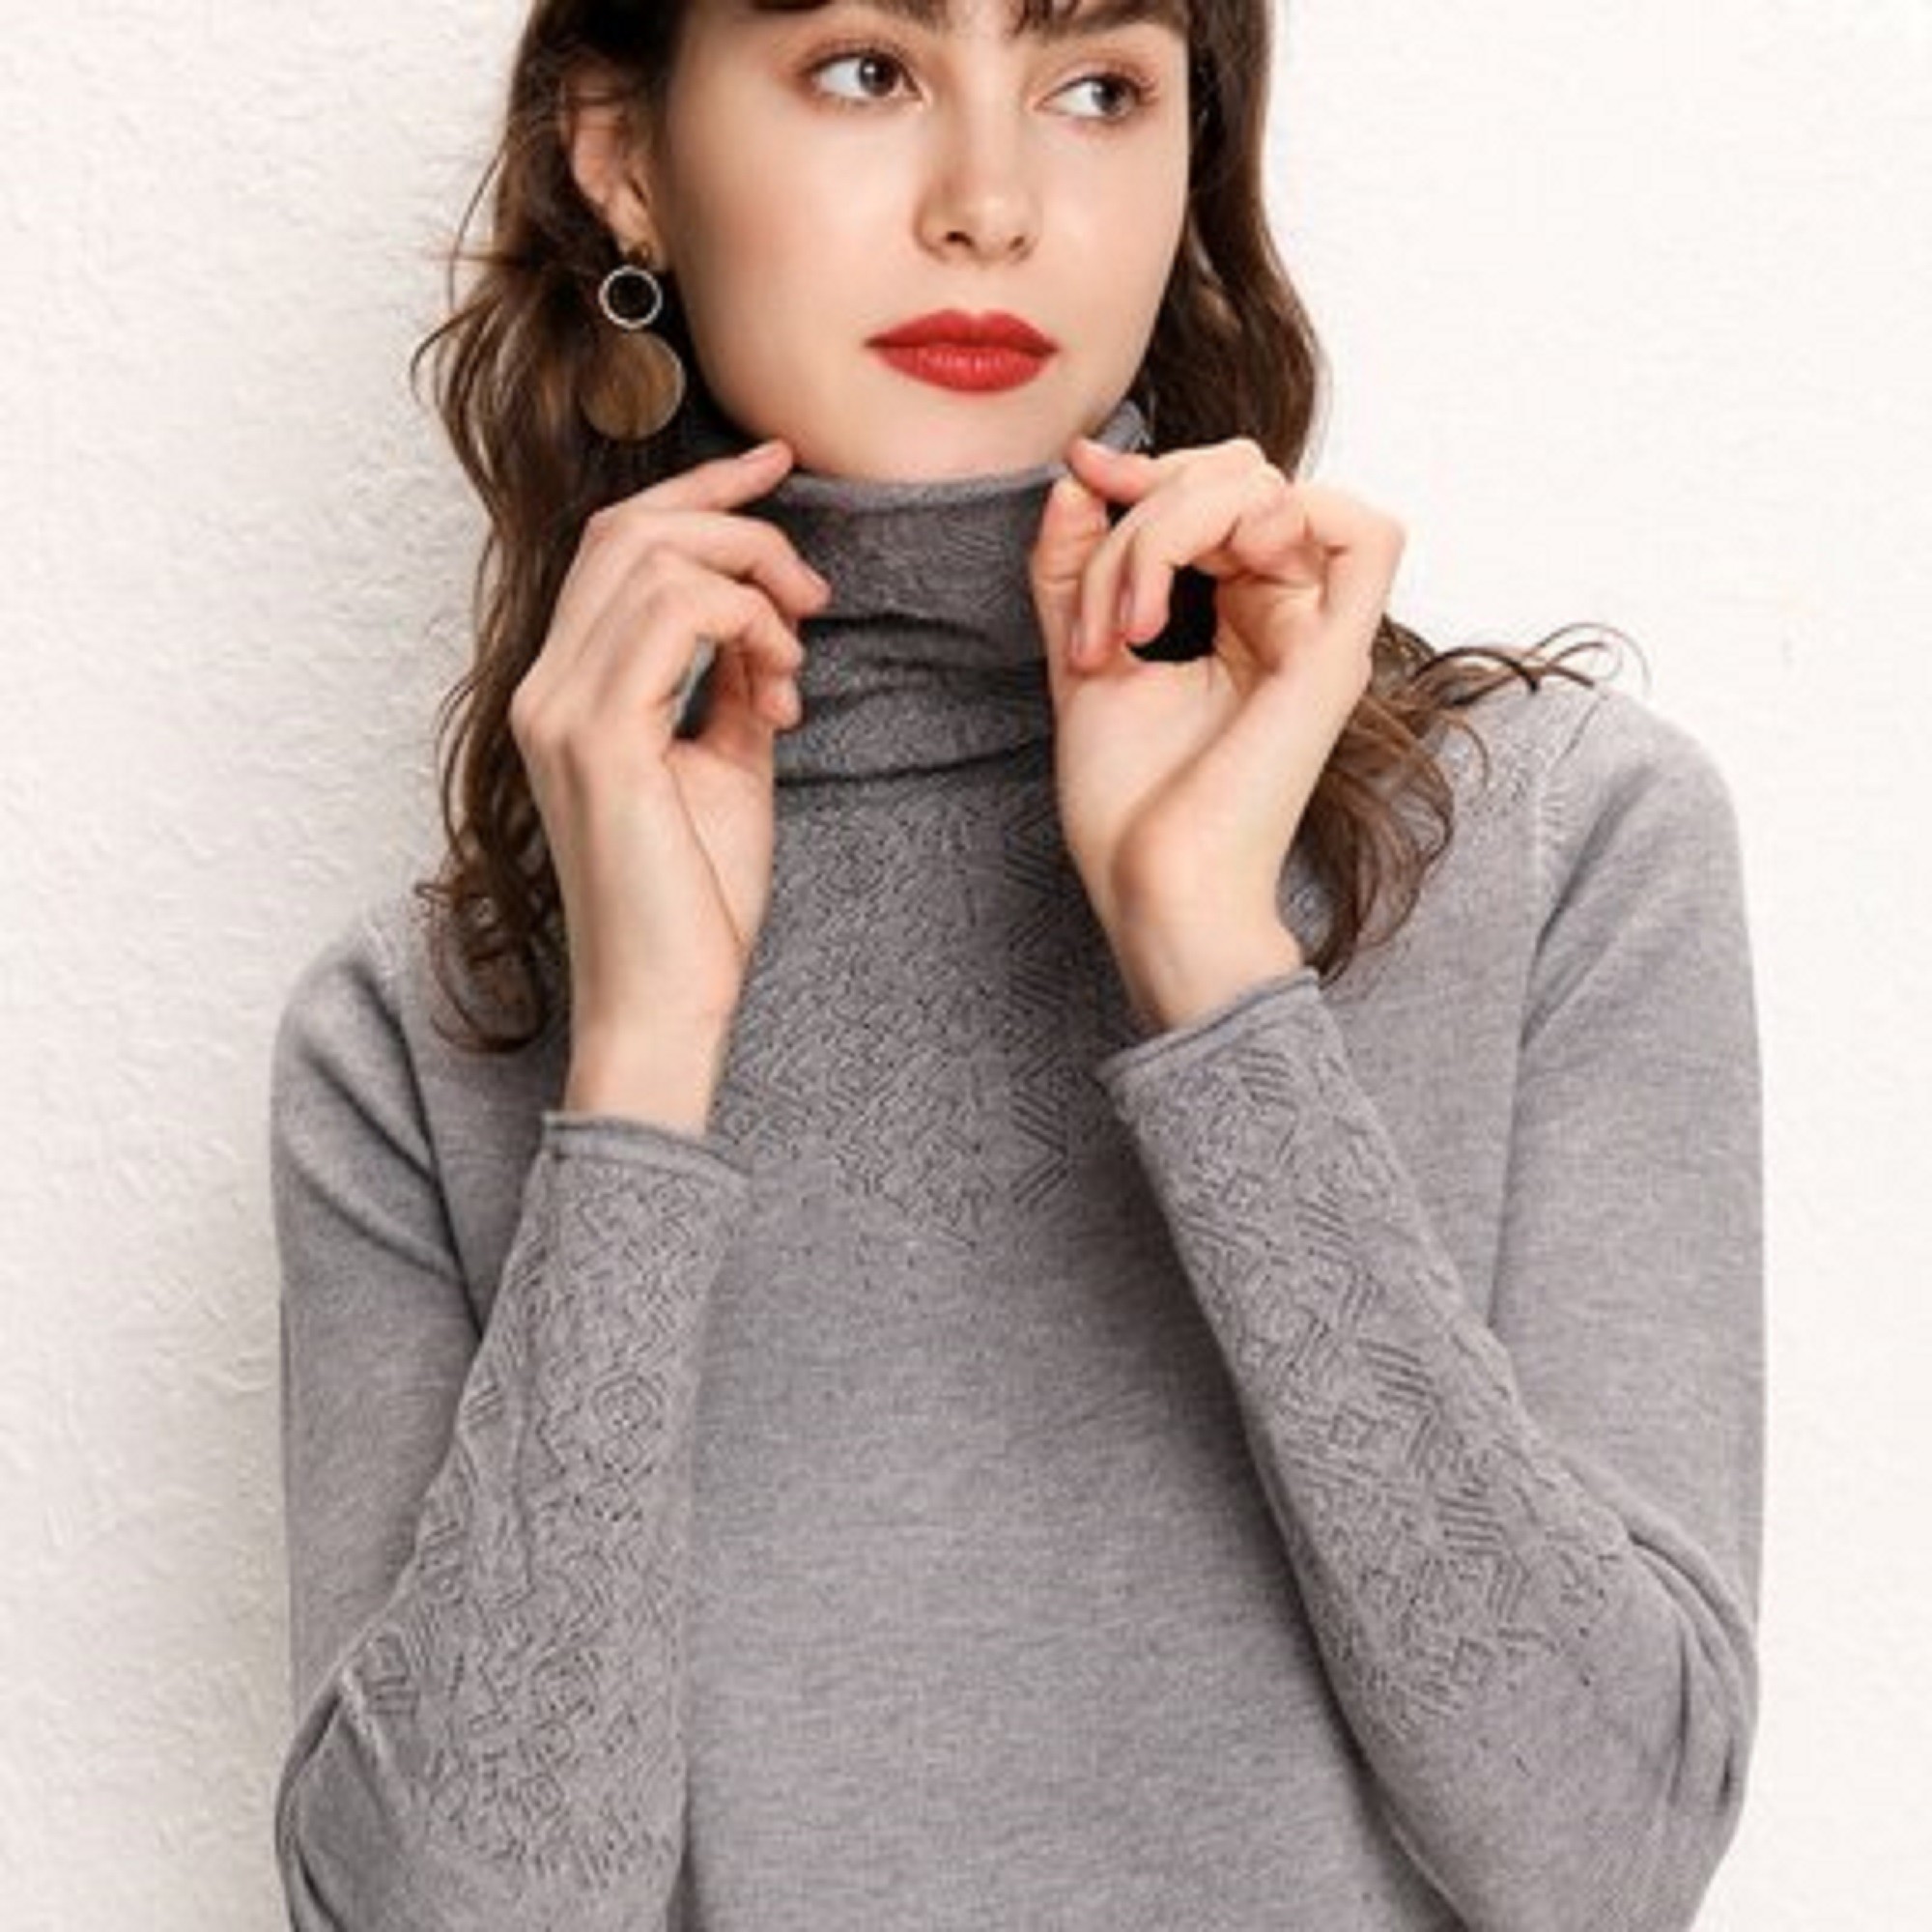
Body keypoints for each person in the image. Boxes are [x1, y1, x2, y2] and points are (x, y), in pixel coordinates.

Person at [268, 0, 1764, 1925]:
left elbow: (1610, 1850)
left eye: (1096, 87)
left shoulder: (1563, 850)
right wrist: (637, 1071)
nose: (990, 201)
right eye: (866, 68)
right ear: (621, 153)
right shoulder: (420, 1039)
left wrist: (1215, 974)